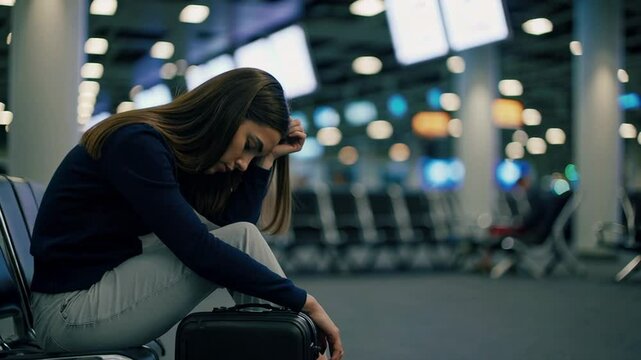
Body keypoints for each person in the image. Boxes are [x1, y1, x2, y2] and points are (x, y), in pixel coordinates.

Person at [29, 68, 344, 360]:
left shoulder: (168, 153)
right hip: (68, 316)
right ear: (224, 114)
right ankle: (291, 348)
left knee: (240, 237)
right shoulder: (136, 144)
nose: (244, 163)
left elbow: (236, 227)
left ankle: (287, 347)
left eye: (255, 155)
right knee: (232, 243)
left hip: (96, 292)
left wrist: (266, 161)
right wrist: (303, 302)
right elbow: (200, 250)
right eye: (249, 145)